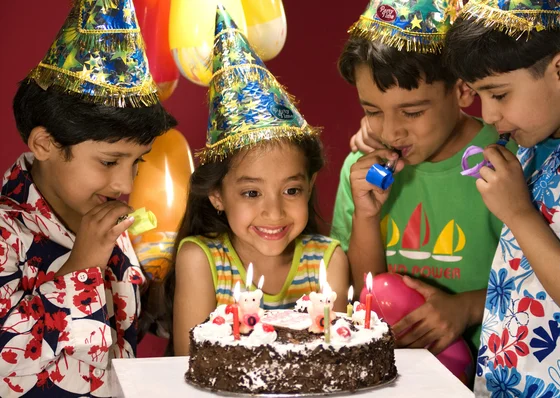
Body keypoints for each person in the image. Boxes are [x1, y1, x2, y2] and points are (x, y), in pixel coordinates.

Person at [0, 0, 177, 396]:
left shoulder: (104, 216)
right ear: (45, 143)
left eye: (137, 163)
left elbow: (129, 324)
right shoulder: (5, 233)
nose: (125, 183)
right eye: (110, 161)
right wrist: (82, 264)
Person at [331, 0, 515, 356]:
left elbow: (545, 283)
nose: (391, 132)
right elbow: (366, 292)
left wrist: (466, 307)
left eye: (412, 112)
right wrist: (367, 215)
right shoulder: (361, 172)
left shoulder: (504, 158)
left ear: (463, 90)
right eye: (372, 112)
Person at [164, 6, 349, 356]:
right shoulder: (201, 261)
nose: (274, 212)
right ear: (217, 195)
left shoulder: (326, 262)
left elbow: (335, 362)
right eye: (251, 192)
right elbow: (190, 363)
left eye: (291, 190)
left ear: (309, 187)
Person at [444, 1, 560, 395]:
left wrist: (517, 212)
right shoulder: (534, 136)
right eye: (480, 94)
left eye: (498, 94)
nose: (489, 114)